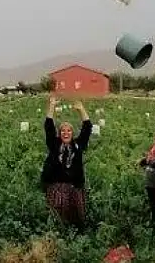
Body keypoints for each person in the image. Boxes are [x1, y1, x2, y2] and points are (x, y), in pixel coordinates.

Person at [41, 96, 92, 229]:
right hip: (57, 187)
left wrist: (81, 109)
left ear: (72, 133)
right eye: (63, 130)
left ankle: (76, 236)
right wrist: (51, 106)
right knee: (58, 217)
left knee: (77, 217)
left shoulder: (78, 145)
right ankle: (59, 235)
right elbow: (48, 127)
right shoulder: (54, 144)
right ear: (60, 133)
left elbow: (87, 128)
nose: (66, 133)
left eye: (69, 130)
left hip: (75, 187)